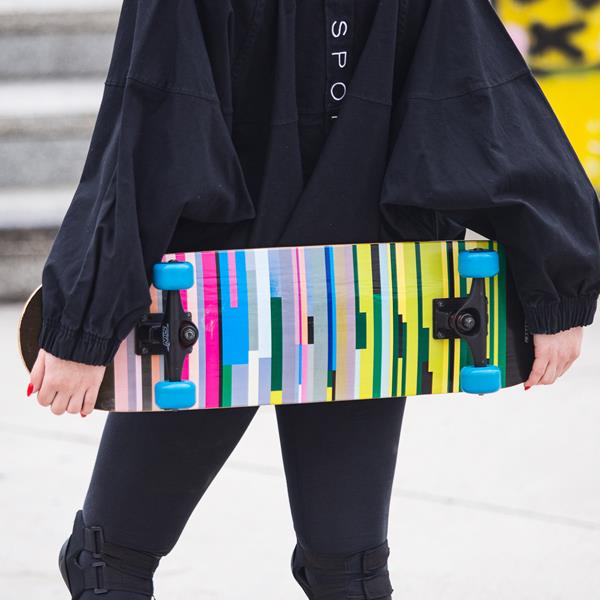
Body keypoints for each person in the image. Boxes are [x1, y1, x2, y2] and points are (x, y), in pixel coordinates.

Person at [27, 1, 600, 598]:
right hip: (233, 291)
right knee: (115, 561)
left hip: (336, 288)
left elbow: (470, 85)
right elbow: (155, 115)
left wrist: (558, 280)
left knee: (348, 574)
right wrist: (84, 327)